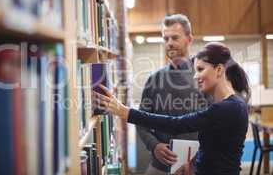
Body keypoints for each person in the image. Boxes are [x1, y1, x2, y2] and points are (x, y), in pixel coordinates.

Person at [93, 42, 250, 175]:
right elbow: (213, 145)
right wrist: (191, 165)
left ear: (219, 70)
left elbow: (177, 124)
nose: (195, 76)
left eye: (200, 69)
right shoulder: (230, 105)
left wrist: (124, 112)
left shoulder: (229, 108)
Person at [136, 14, 209, 175]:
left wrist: (196, 159)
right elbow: (141, 122)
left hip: (198, 166)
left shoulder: (204, 77)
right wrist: (154, 146)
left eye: (175, 38)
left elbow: (217, 123)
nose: (169, 43)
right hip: (160, 166)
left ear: (189, 39)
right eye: (165, 38)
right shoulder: (154, 80)